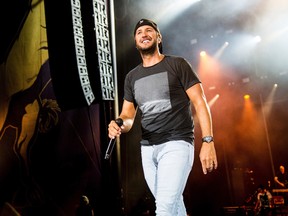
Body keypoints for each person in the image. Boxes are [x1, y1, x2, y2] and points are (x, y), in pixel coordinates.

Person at [108, 18, 218, 216]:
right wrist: (118, 124)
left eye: (149, 30)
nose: (144, 34)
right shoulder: (132, 77)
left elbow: (200, 102)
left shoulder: (177, 64)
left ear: (159, 37)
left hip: (177, 143)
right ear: (135, 41)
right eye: (139, 32)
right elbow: (128, 115)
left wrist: (208, 141)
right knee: (173, 205)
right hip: (148, 149)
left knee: (165, 208)